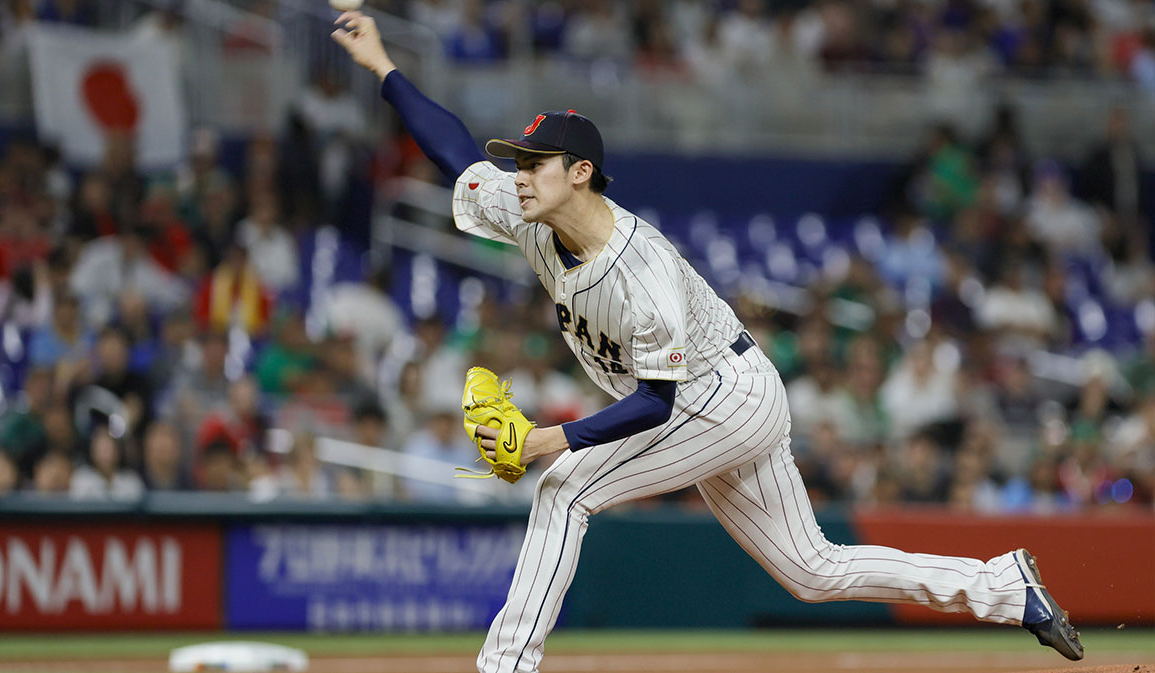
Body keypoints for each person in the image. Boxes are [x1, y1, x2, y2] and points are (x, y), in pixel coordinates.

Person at [330, 11, 1084, 672]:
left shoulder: (642, 271)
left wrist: (546, 442)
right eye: (521, 163)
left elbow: (655, 405)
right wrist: (386, 68)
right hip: (707, 396)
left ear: (582, 172)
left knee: (566, 489)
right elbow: (454, 153)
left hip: (719, 396)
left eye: (536, 164)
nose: (520, 176)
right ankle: (1004, 586)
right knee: (813, 570)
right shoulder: (529, 212)